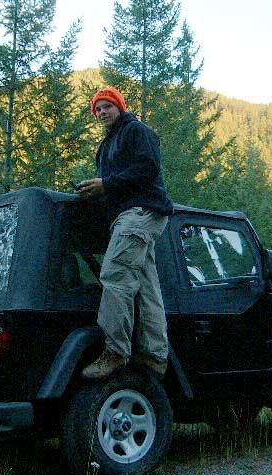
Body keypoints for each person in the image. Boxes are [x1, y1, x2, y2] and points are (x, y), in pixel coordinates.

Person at [78, 86, 173, 380]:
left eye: (107, 106)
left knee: (115, 274)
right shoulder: (108, 144)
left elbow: (147, 167)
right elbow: (119, 182)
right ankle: (155, 356)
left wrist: (106, 184)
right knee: (146, 286)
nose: (102, 112)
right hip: (131, 215)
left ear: (120, 106)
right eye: (97, 109)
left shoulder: (135, 131)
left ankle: (115, 351)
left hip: (140, 211)